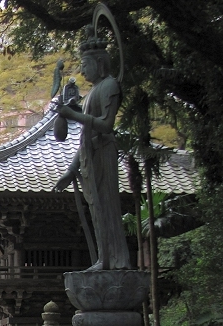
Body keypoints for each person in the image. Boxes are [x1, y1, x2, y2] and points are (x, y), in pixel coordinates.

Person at [53, 30, 131, 271]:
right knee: (96, 211)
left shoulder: (109, 86)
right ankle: (103, 258)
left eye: (85, 64)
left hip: (104, 151)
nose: (83, 70)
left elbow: (107, 125)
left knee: (107, 206)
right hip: (90, 154)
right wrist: (70, 170)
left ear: (100, 62)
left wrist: (73, 115)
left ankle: (116, 260)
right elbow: (84, 139)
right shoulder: (90, 94)